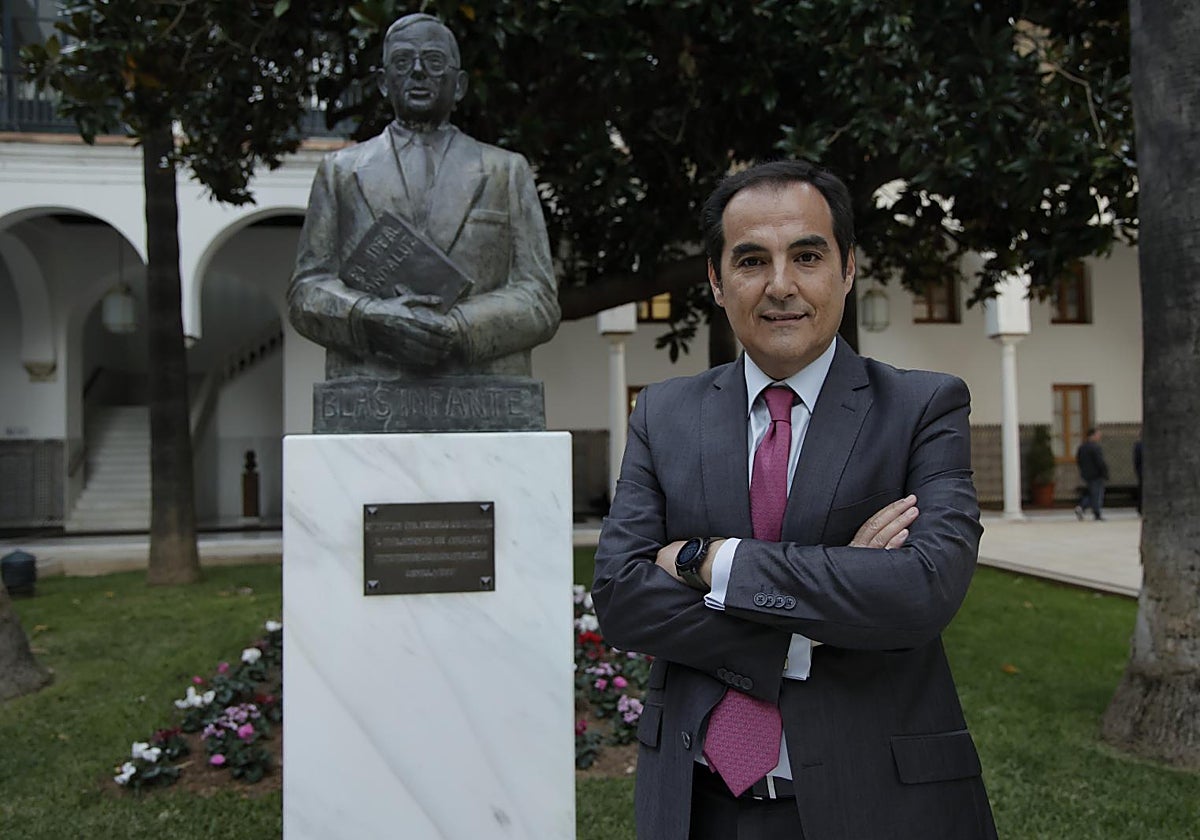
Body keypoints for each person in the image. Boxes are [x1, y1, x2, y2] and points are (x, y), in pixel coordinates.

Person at [592, 160, 996, 840]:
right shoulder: (663, 414)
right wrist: (822, 610)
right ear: (717, 283)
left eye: (807, 256)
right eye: (752, 260)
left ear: (847, 268)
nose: (781, 285)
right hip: (697, 806)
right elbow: (621, 598)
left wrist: (711, 562)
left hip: (880, 805)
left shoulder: (923, 406)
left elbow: (924, 589)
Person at [288, 14, 559, 380]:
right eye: (402, 62)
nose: (417, 72)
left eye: (433, 61)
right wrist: (370, 316)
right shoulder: (340, 172)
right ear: (383, 83)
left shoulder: (505, 171)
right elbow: (307, 290)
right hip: (371, 384)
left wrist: (459, 326)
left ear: (459, 84)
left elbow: (540, 297)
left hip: (480, 387)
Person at [1074, 428, 1108, 521]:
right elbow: (1100, 462)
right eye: (1098, 435)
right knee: (1097, 494)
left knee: (1092, 493)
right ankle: (1096, 513)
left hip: (1086, 474)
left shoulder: (1082, 447)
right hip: (1096, 474)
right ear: (1092, 435)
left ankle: (1081, 507)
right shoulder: (1095, 447)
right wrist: (1105, 473)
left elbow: (1078, 460)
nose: (1099, 437)